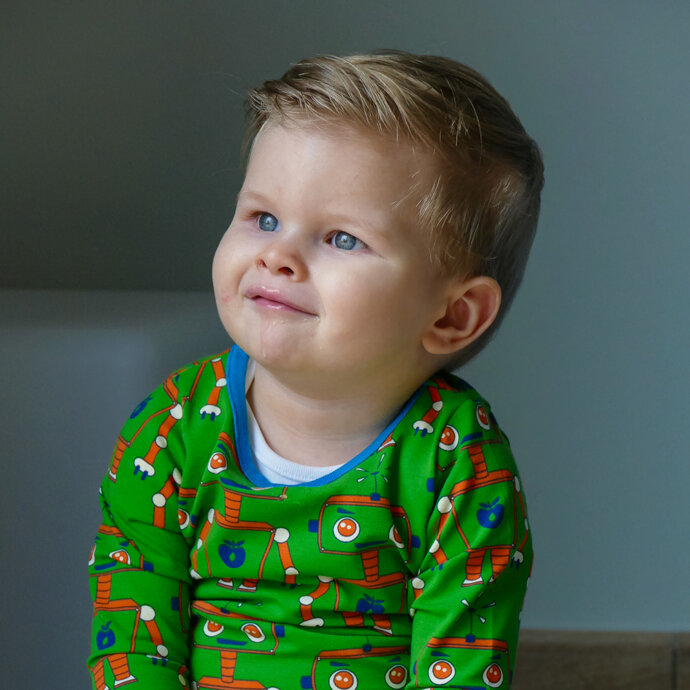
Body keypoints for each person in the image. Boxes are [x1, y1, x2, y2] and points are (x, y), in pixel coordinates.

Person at [88, 51, 544, 690]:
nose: (277, 255)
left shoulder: (457, 459)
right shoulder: (173, 427)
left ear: (451, 315)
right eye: (264, 218)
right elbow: (133, 639)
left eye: (342, 238)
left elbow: (461, 665)